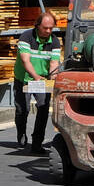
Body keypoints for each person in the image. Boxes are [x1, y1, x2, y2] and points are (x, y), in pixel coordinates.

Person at [15, 11, 62, 154]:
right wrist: (35, 76)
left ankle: (37, 143)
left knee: (43, 109)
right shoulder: (26, 37)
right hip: (24, 79)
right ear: (37, 26)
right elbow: (25, 60)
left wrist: (53, 79)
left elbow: (54, 63)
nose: (48, 31)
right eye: (45, 28)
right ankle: (21, 132)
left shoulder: (54, 41)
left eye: (51, 28)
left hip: (42, 79)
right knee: (22, 110)